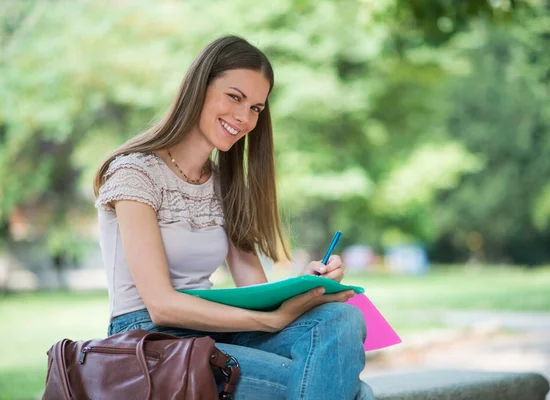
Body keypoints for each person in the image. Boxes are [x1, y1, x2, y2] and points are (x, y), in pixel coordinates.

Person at [93, 35, 374, 400]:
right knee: (352, 390)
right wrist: (269, 320)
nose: (244, 118)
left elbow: (255, 291)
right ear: (199, 87)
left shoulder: (224, 184)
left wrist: (308, 287)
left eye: (256, 108)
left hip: (215, 333)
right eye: (234, 97)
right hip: (148, 340)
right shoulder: (135, 173)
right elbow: (161, 305)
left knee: (344, 319)